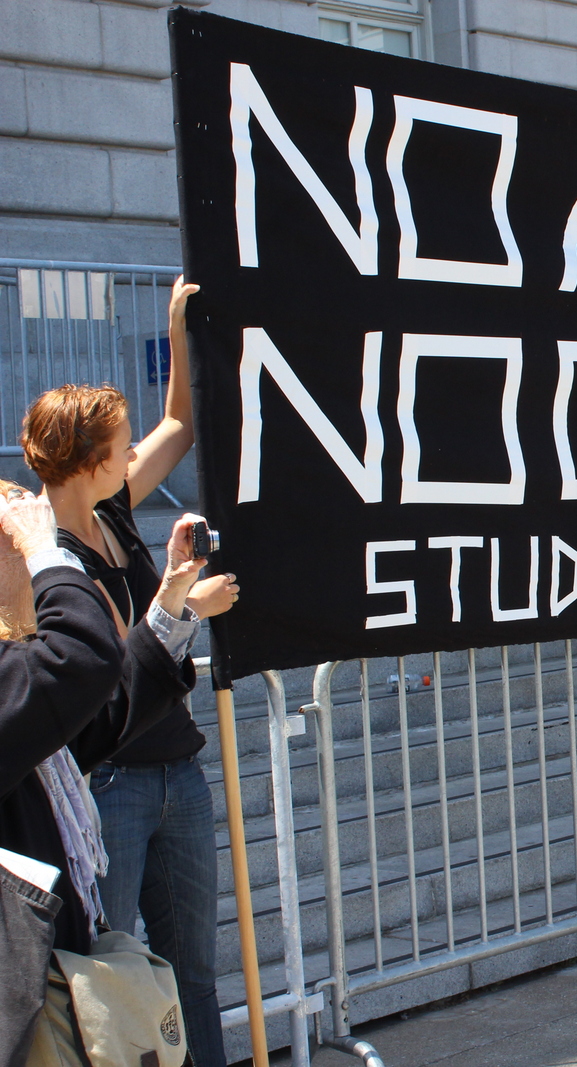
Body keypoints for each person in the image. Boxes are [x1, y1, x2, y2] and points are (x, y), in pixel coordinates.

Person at [20, 278, 240, 1067]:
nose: (133, 452)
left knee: (194, 977)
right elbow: (104, 666)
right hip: (110, 781)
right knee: (102, 980)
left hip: (178, 765)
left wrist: (178, 328)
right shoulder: (42, 558)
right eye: (119, 443)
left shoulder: (110, 509)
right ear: (90, 461)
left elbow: (179, 424)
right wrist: (183, 600)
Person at [0, 484, 207, 1065]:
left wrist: (171, 595)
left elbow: (104, 710)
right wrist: (48, 552)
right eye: (19, 549)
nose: (34, 570)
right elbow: (81, 660)